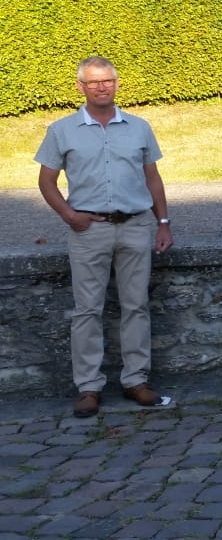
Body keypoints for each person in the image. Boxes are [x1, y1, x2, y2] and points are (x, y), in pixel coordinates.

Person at [35, 56, 175, 418]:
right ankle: (88, 387)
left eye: (108, 81)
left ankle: (136, 380)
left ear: (116, 83)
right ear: (80, 87)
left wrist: (163, 223)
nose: (102, 87)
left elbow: (153, 178)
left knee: (136, 305)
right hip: (88, 231)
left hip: (135, 226)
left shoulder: (139, 128)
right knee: (87, 310)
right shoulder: (62, 130)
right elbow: (46, 182)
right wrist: (69, 215)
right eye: (94, 82)